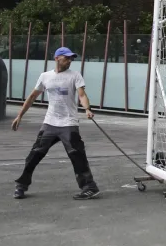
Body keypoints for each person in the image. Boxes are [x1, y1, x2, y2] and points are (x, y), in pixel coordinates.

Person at [11, 47, 101, 200]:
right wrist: (19, 116)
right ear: (57, 58)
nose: (69, 61)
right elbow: (32, 96)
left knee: (77, 155)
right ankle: (21, 185)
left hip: (69, 123)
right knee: (34, 154)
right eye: (67, 58)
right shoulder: (45, 76)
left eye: (71, 58)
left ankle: (89, 187)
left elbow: (82, 95)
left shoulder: (75, 76)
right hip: (50, 123)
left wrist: (87, 109)